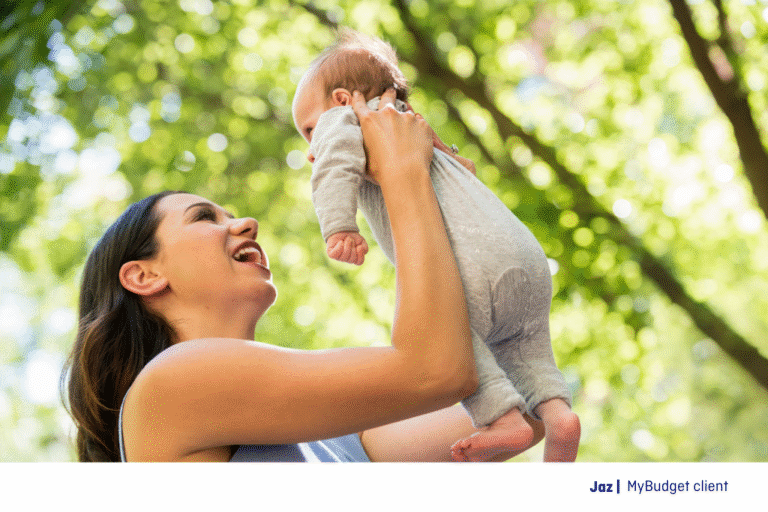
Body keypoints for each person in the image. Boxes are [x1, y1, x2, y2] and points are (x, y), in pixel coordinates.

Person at [60, 88, 546, 462]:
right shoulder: (172, 383)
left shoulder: (341, 437)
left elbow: (523, 404)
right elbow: (437, 371)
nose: (244, 223)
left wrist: (448, 196)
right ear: (143, 275)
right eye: (204, 218)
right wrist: (402, 174)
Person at [292, 30, 580, 462]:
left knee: (445, 326)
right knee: (527, 347)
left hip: (471, 266)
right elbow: (460, 160)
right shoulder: (409, 120)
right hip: (525, 257)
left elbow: (332, 167)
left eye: (309, 129)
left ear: (340, 98)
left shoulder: (345, 118)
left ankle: (503, 419)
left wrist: (339, 226)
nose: (312, 147)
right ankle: (559, 417)